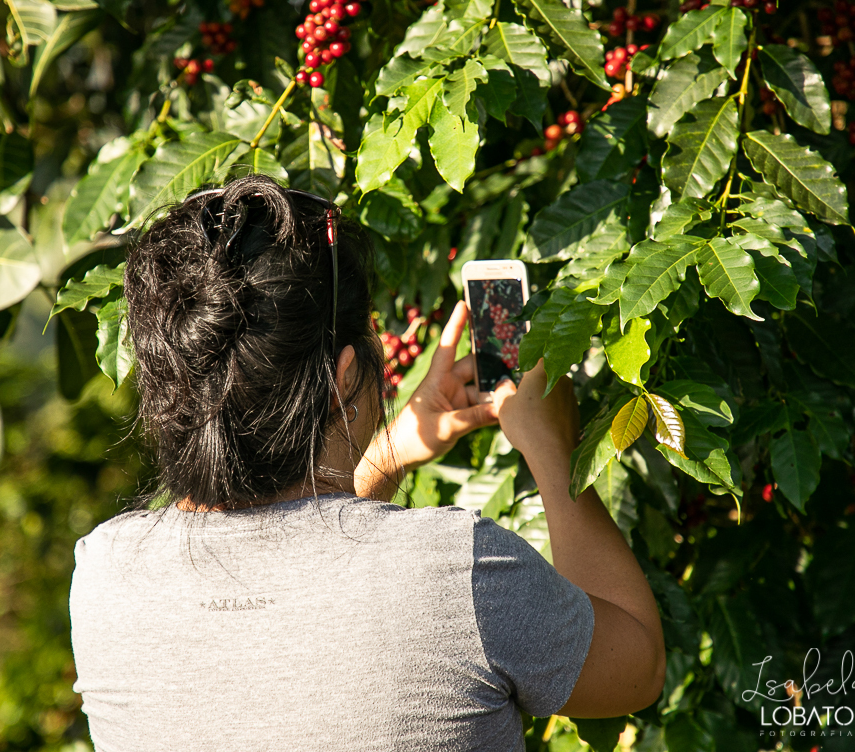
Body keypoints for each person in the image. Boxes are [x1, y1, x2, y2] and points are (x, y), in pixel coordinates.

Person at [68, 175, 665, 751]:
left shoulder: (105, 575)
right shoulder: (455, 570)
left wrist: (391, 452)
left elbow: (302, 596)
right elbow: (638, 667)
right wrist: (553, 446)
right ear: (344, 377)